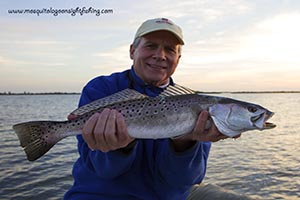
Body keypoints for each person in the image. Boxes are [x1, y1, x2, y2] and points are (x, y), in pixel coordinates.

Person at [64, 18, 254, 200]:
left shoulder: (198, 106)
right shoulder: (101, 88)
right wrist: (119, 148)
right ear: (132, 51)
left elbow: (186, 180)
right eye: (151, 46)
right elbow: (102, 171)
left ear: (178, 58)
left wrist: (185, 143)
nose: (160, 55)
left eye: (170, 49)